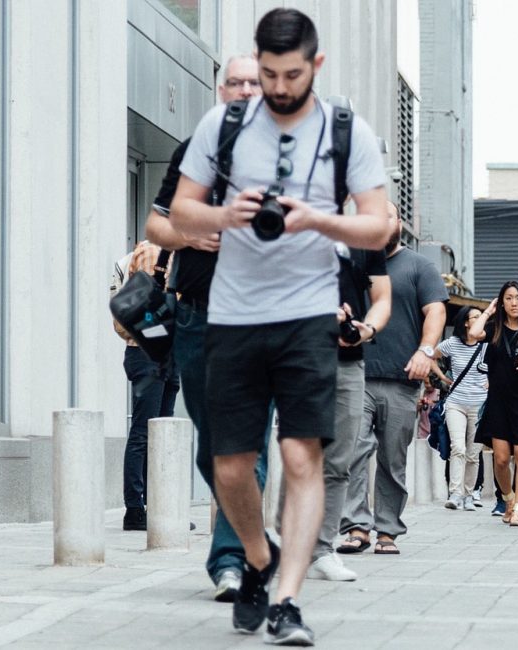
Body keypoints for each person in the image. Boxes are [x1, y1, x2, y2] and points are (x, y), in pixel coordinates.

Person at [170, 8, 394, 642]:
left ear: (314, 66)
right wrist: (224, 215)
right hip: (234, 316)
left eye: (291, 74)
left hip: (307, 316)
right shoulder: (226, 123)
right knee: (231, 466)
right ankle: (259, 558)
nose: (277, 87)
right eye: (267, 74)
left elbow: (380, 225)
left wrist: (317, 219)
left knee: (301, 457)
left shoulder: (348, 131)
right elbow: (180, 209)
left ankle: (287, 601)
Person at [144, 53, 262, 601]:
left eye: (252, 83)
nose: (242, 90)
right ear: (221, 91)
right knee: (211, 445)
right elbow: (155, 224)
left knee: (248, 443)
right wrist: (188, 237)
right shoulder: (194, 152)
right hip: (196, 313)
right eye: (233, 82)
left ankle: (232, 559)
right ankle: (248, 531)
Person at [338, 201, 448, 556]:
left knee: (392, 458)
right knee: (352, 451)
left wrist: (425, 352)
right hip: (355, 373)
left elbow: (436, 310)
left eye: (386, 216)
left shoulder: (419, 266)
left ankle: (387, 530)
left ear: (398, 223)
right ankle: (356, 526)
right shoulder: (352, 264)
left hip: (403, 378)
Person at [306, 238, 390, 583]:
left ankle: (322, 551)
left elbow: (382, 298)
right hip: (298, 356)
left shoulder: (364, 237)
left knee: (340, 460)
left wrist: (365, 328)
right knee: (300, 456)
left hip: (348, 363)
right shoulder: (291, 226)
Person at [109, 241, 180, 531]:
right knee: (144, 432)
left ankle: (158, 508)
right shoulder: (155, 251)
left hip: (164, 353)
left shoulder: (177, 252)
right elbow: (149, 308)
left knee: (161, 435)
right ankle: (135, 510)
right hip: (148, 352)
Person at [469, 281, 518, 526]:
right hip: (498, 400)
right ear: (502, 302)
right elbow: (473, 334)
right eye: (508, 298)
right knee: (501, 459)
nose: (514, 303)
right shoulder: (494, 328)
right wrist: (488, 311)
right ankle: (508, 498)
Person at [435, 306, 488, 511]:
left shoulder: (487, 347)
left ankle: (468, 494)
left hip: (479, 405)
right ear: (466, 323)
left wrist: (492, 381)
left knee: (474, 454)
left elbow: (501, 367)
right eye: (476, 317)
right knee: (458, 447)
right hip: (456, 403)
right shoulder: (453, 344)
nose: (480, 320)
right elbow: (431, 354)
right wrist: (442, 377)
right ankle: (455, 493)